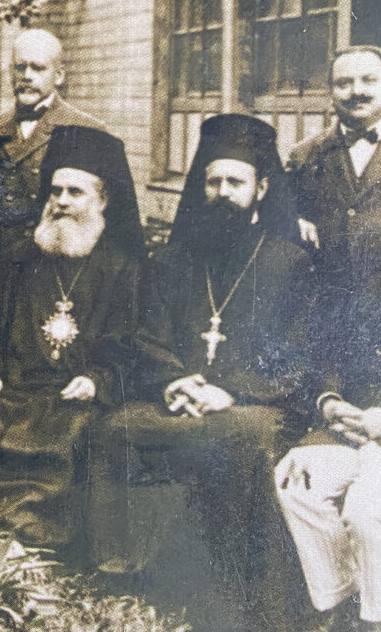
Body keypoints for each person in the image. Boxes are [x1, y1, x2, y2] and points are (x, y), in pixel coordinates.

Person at [89, 114, 313, 631]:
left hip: (254, 407)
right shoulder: (172, 260)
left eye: (236, 182)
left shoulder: (289, 262)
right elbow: (146, 336)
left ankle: (238, 598)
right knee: (114, 429)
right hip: (179, 396)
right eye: (213, 181)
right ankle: (125, 576)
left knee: (242, 440)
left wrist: (228, 390)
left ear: (261, 189)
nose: (224, 192)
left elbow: (294, 354)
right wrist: (175, 380)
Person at [0, 124, 143, 547]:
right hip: (15, 386)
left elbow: (129, 341)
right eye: (56, 191)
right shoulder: (18, 255)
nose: (62, 203)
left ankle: (39, 531)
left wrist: (97, 378)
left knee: (80, 429)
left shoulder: (123, 268)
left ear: (103, 200)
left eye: (76, 192)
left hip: (72, 395)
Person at [275, 167, 381, 632]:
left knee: (367, 506)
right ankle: (342, 598)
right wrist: (331, 401)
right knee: (296, 480)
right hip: (362, 427)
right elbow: (337, 349)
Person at [0, 28, 106, 265]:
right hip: (0, 262)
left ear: (59, 75)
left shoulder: (86, 130)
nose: (27, 76)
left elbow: (102, 211)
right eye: (20, 67)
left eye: (38, 68)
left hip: (56, 261)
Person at [289, 46, 381, 283]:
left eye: (368, 80)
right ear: (330, 92)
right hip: (325, 303)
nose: (356, 91)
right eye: (343, 83)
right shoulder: (304, 156)